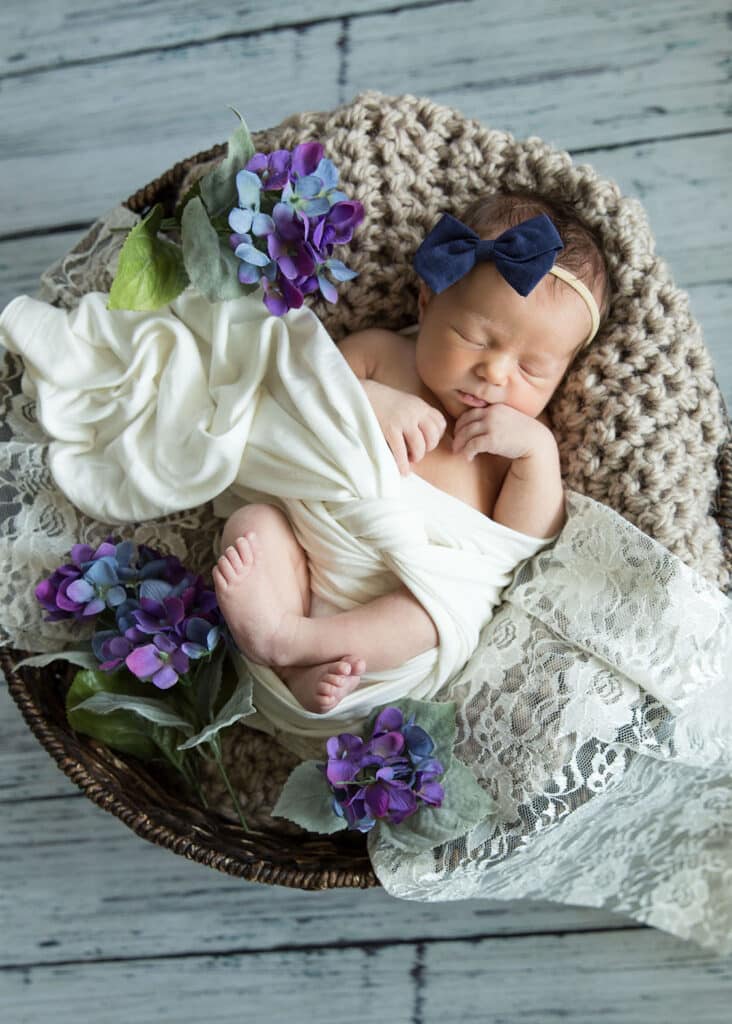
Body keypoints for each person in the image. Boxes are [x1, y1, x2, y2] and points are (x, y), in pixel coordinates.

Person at [212, 191, 611, 713]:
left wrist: (536, 452)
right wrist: (371, 403)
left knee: (434, 615)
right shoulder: (381, 356)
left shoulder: (516, 445)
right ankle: (287, 664)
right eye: (473, 337)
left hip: (400, 612)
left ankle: (291, 643)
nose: (495, 373)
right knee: (253, 525)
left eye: (533, 369)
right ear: (427, 303)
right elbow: (297, 392)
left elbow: (519, 542)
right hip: (309, 551)